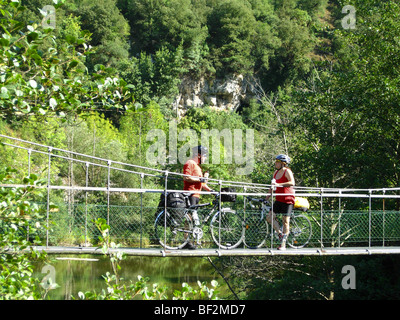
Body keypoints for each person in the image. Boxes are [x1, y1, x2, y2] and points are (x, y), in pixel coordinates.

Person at [182, 145, 213, 249]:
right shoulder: (190, 163)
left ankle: (190, 241)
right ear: (198, 155)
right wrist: (200, 179)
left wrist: (212, 191)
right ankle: (186, 241)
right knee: (189, 218)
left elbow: (202, 184)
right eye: (204, 156)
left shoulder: (198, 167)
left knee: (193, 219)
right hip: (190, 194)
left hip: (196, 195)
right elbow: (186, 177)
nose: (205, 158)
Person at [265, 154, 295, 250]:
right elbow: (272, 186)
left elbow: (292, 182)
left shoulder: (287, 171)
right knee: (269, 217)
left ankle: (283, 244)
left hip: (287, 199)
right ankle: (280, 234)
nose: (276, 163)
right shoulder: (275, 173)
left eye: (277, 162)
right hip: (278, 199)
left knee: (285, 221)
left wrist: (278, 184)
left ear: (283, 163)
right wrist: (267, 196)